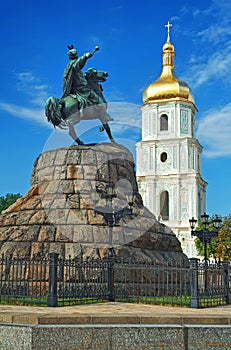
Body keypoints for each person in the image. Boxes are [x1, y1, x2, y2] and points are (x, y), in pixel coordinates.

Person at [62, 45, 104, 112]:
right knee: (94, 97)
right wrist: (85, 56)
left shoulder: (68, 66)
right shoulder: (74, 63)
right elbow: (79, 63)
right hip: (81, 88)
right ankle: (99, 111)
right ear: (76, 55)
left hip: (72, 88)